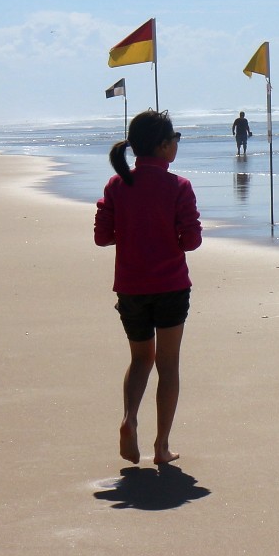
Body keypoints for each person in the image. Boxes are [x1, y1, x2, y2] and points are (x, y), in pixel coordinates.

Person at [94, 109, 202, 467]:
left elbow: (102, 236)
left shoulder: (116, 185)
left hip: (131, 287)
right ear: (162, 145)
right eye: (175, 140)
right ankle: (161, 447)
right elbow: (191, 242)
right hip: (170, 285)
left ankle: (129, 418)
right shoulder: (179, 186)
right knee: (168, 365)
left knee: (141, 358)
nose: (176, 146)